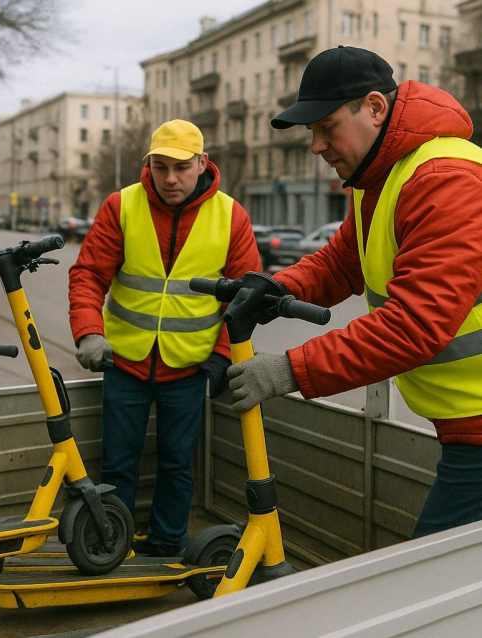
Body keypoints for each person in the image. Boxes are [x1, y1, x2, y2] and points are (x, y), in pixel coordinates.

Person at [227, 45, 482, 538]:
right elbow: (345, 259)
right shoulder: (383, 176)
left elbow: (414, 324)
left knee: (433, 579)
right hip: (465, 421)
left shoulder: (443, 179)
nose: (317, 146)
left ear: (375, 107)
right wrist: (275, 286)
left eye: (327, 127)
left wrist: (288, 369)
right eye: (311, 133)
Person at [68, 119, 262, 556]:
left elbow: (245, 299)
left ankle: (167, 547)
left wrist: (220, 359)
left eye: (181, 167)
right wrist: (88, 334)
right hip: (124, 364)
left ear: (202, 164)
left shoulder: (232, 215)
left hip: (191, 369)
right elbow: (88, 275)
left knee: (177, 466)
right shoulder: (121, 206)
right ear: (148, 165)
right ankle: (109, 546)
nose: (170, 178)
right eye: (160, 167)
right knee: (116, 465)